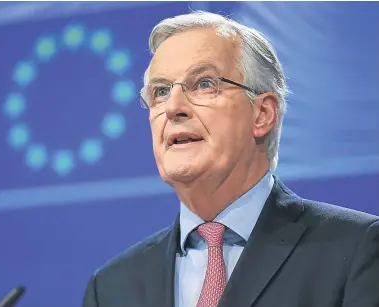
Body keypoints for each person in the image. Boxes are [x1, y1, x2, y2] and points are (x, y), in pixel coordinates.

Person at [83, 11, 379, 307]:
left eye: (204, 84)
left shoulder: (356, 250)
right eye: (160, 91)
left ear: (262, 114)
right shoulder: (110, 288)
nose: (173, 107)